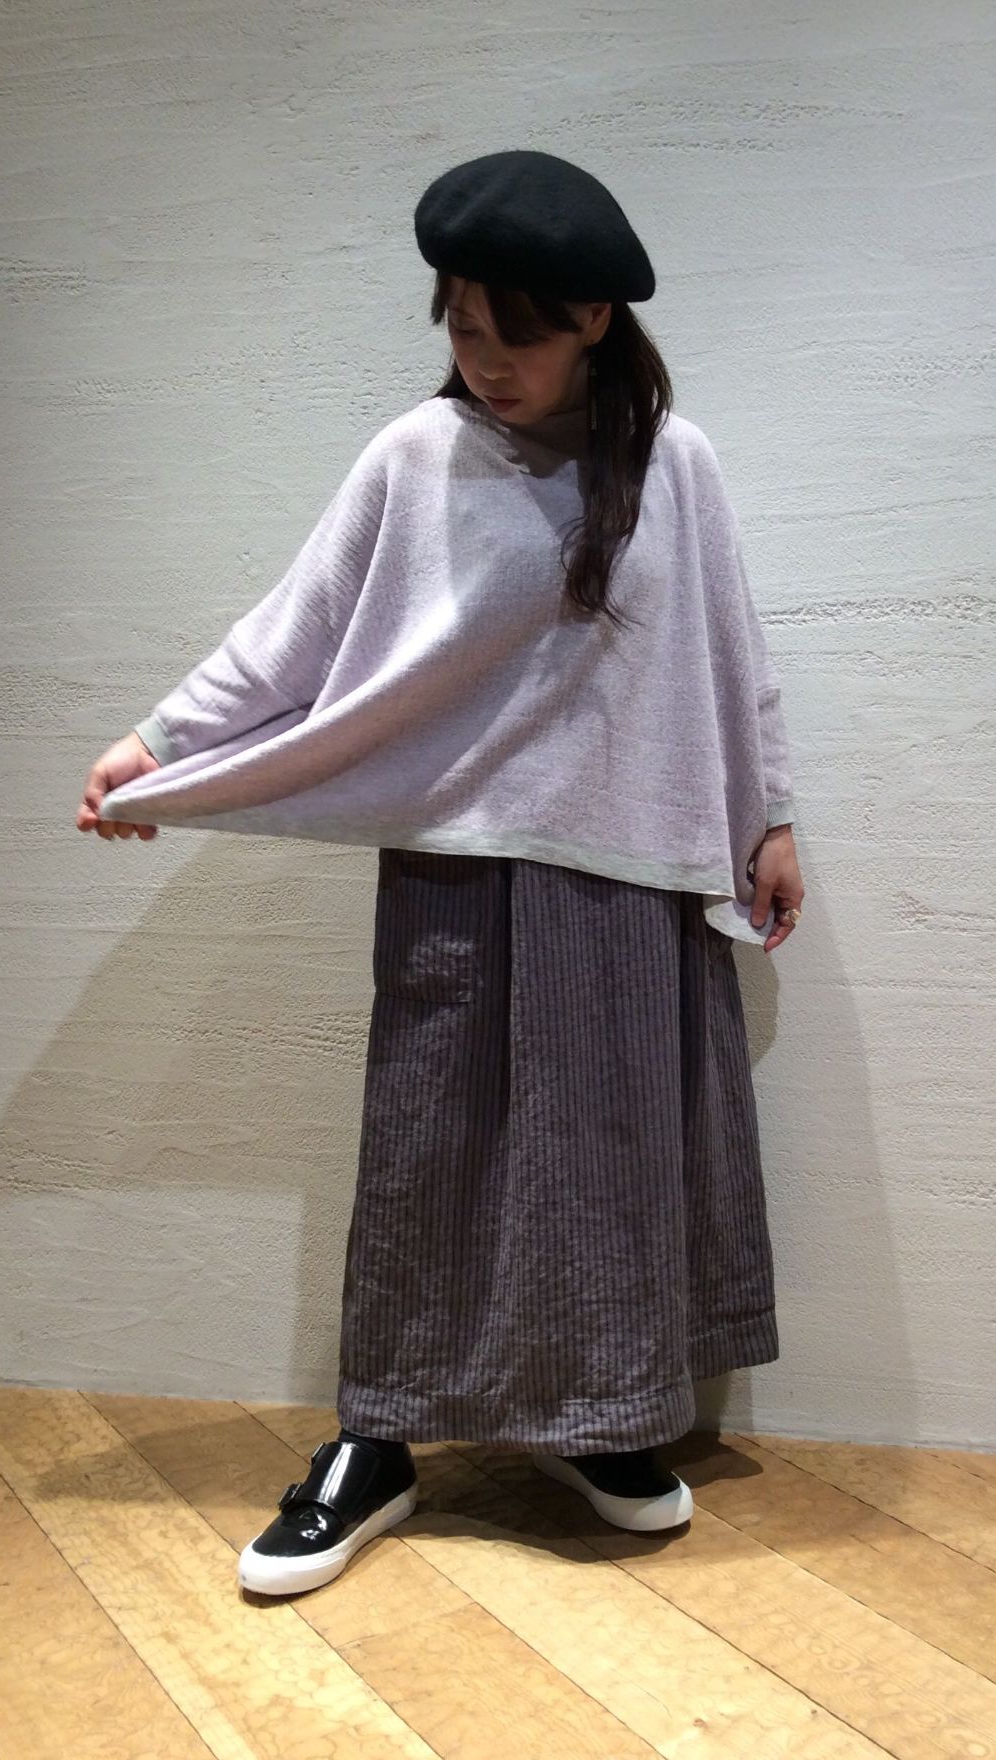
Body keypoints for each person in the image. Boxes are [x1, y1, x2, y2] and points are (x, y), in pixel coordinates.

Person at [77, 150, 805, 1597]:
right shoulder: (416, 457)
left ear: (593, 318)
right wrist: (159, 743)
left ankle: (602, 1421)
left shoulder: (678, 466)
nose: (484, 363)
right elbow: (294, 632)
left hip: (629, 874)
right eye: (463, 329)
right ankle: (381, 1439)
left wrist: (769, 818)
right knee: (431, 1152)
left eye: (513, 335)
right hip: (461, 868)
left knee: (613, 1166)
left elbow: (732, 653)